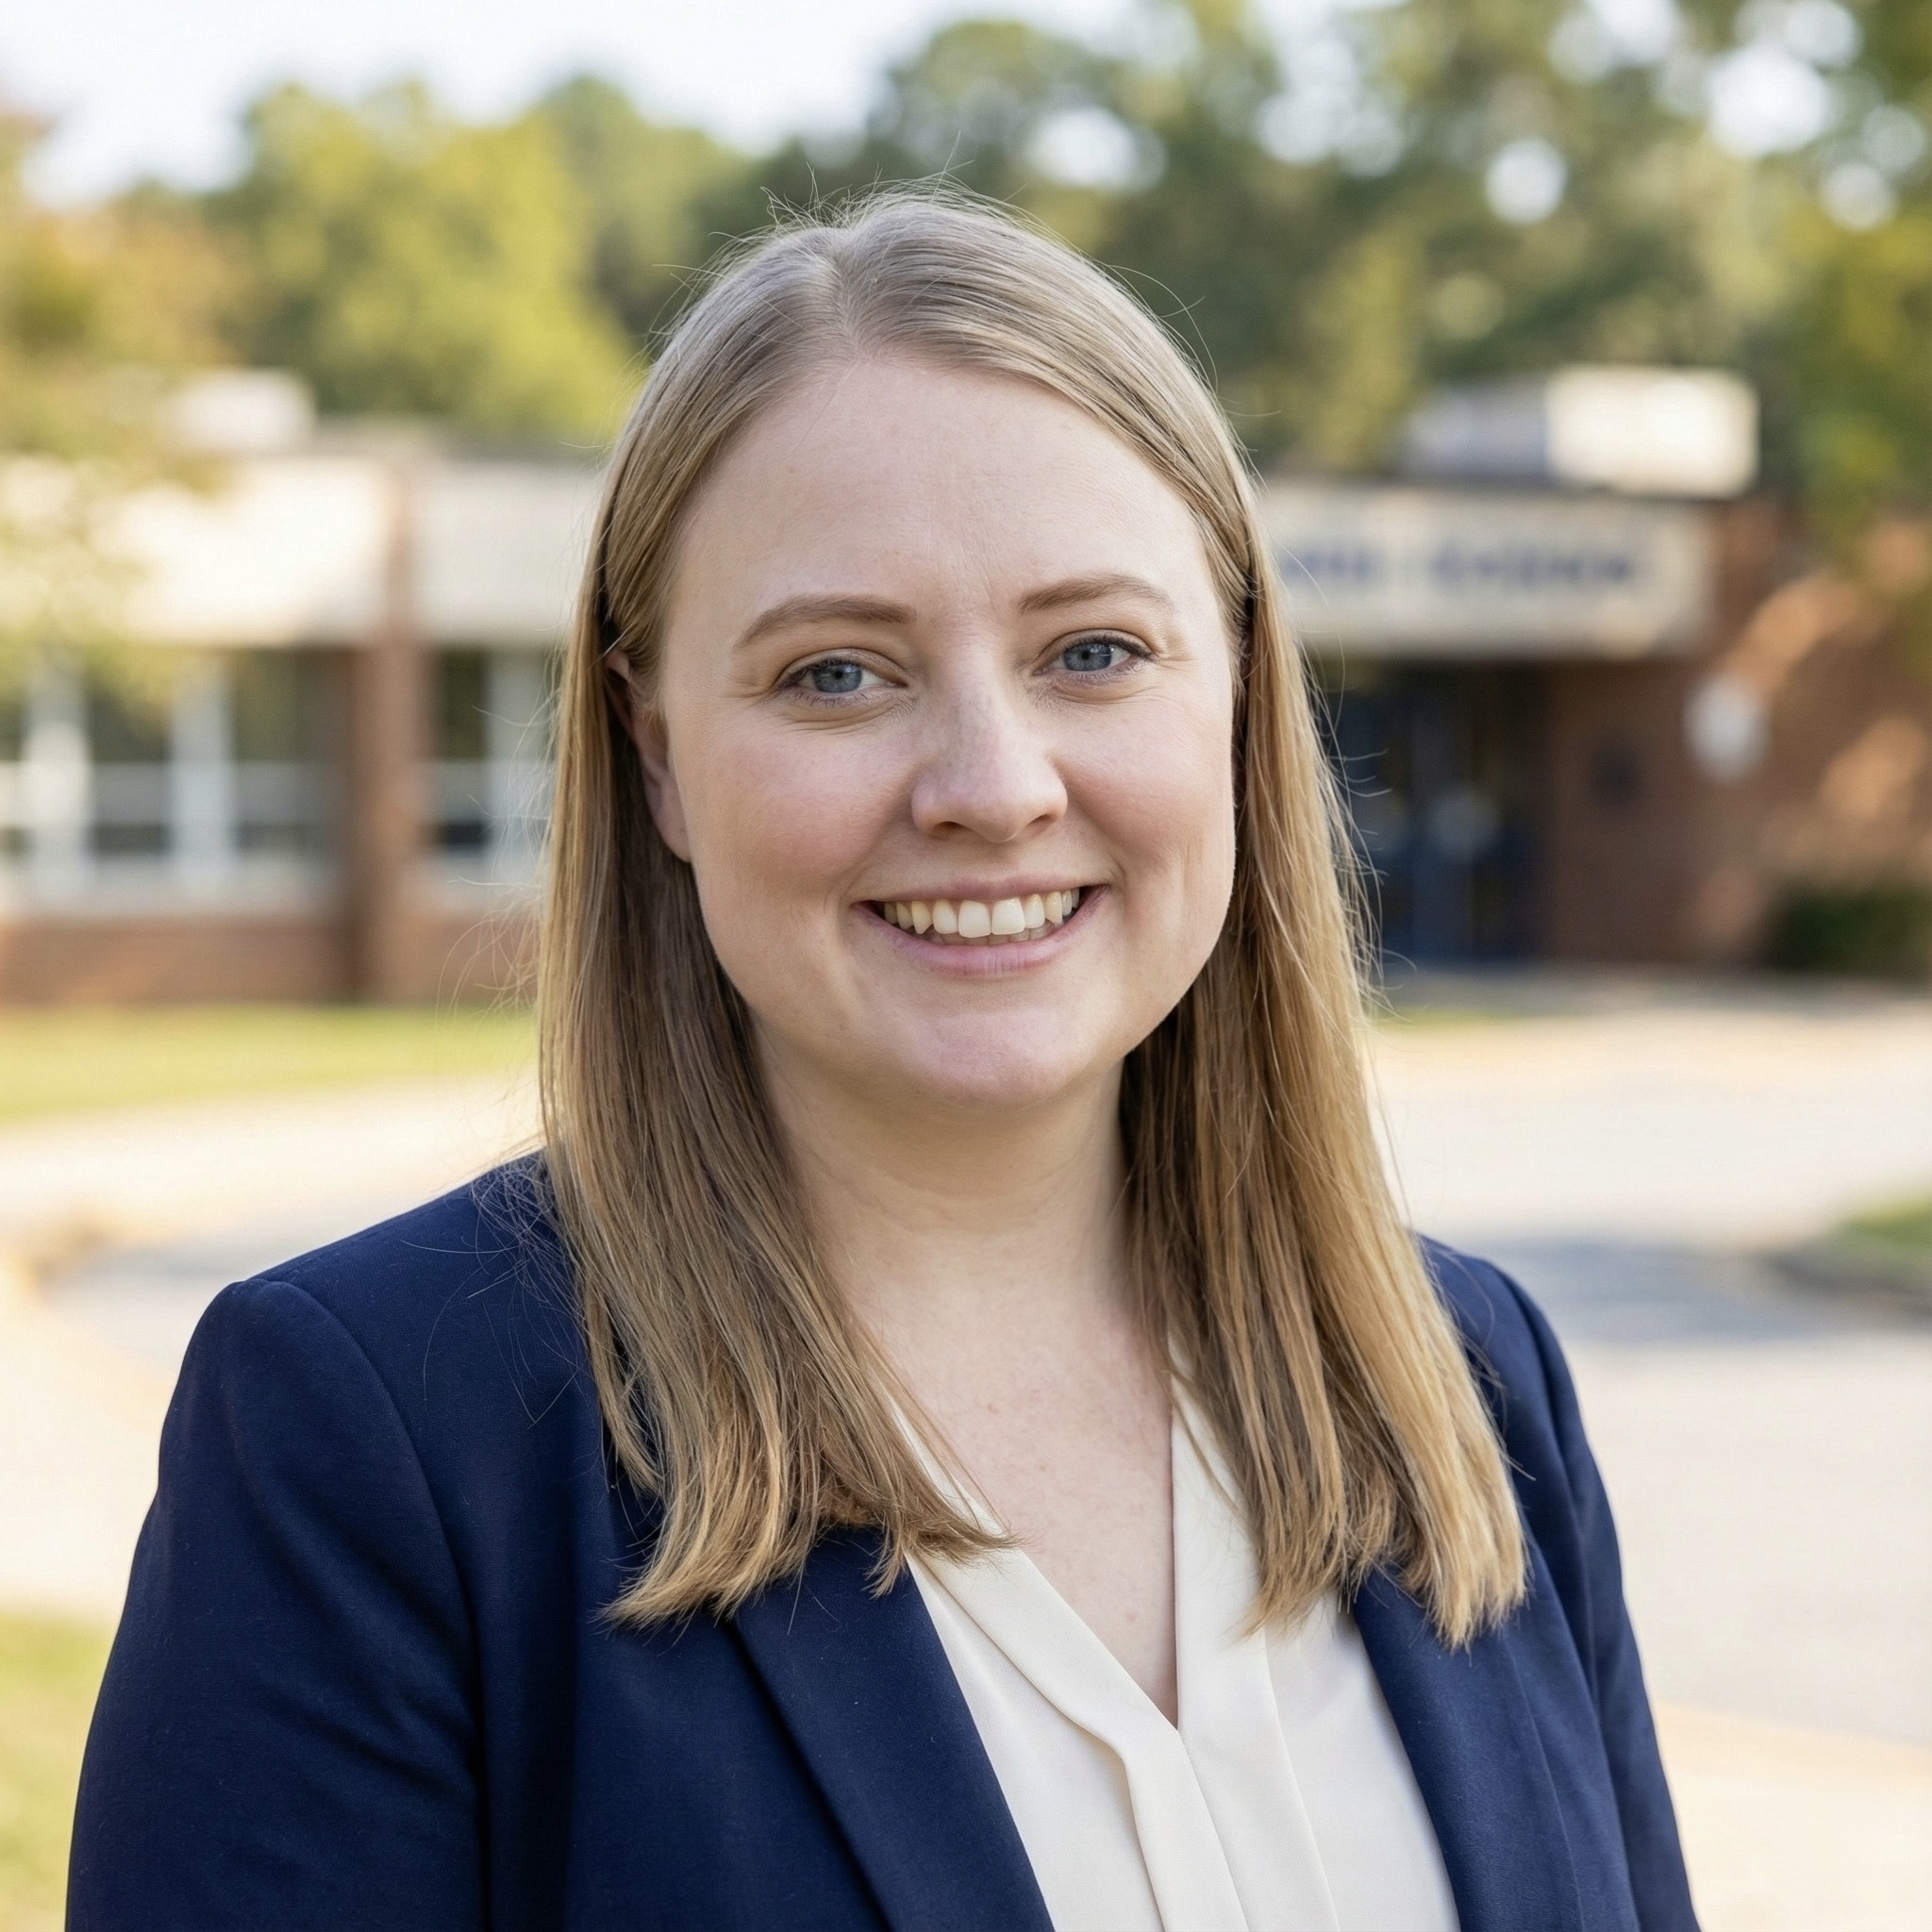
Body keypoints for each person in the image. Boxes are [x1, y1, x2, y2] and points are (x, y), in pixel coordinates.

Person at [70, 195, 1695, 1932]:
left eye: (1094, 652)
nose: (991, 785)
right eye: (838, 673)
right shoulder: (378, 1446)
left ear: (1235, 697)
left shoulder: (1467, 1384)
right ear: (661, 753)